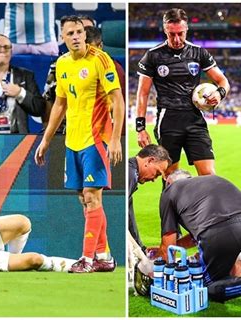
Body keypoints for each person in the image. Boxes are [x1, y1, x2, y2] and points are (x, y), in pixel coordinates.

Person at [34, 16, 124, 273]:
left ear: (85, 34)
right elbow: (60, 104)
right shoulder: (61, 64)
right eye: (69, 33)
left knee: (92, 197)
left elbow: (117, 101)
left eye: (78, 32)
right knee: (85, 201)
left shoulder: (100, 60)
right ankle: (104, 255)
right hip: (72, 141)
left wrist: (115, 138)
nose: (75, 37)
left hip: (95, 140)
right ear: (62, 38)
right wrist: (46, 140)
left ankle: (86, 259)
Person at [152, 169, 241, 317]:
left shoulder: (169, 192)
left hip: (222, 233)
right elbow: (194, 236)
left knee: (207, 285)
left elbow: (168, 245)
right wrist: (178, 246)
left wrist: (157, 263)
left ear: (168, 182)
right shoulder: (210, 180)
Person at [135, 8, 230, 176]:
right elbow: (142, 93)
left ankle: (203, 203)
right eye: (172, 34)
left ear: (186, 29)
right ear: (165, 30)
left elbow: (223, 81)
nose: (177, 39)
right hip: (168, 120)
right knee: (170, 176)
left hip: (195, 120)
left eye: (180, 33)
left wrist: (219, 94)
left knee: (209, 175)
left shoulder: (199, 53)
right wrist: (140, 128)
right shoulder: (153, 56)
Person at [128, 144, 171, 251]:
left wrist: (141, 248)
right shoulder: (131, 175)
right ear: (149, 161)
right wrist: (138, 251)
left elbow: (129, 217)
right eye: (157, 173)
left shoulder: (132, 172)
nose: (154, 179)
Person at [85, 26, 126, 102]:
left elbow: (119, 102)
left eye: (91, 50)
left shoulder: (114, 69)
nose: (87, 54)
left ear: (100, 46)